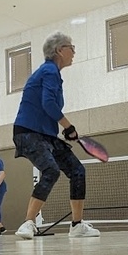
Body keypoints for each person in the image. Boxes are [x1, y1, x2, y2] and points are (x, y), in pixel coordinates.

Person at [11, 32, 100, 239]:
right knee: (51, 170)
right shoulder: (49, 71)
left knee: (77, 170)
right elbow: (48, 104)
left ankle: (77, 226)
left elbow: (48, 108)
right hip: (28, 132)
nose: (74, 51)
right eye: (71, 47)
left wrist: (63, 130)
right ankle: (28, 223)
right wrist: (68, 127)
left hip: (46, 135)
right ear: (60, 50)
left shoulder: (53, 74)